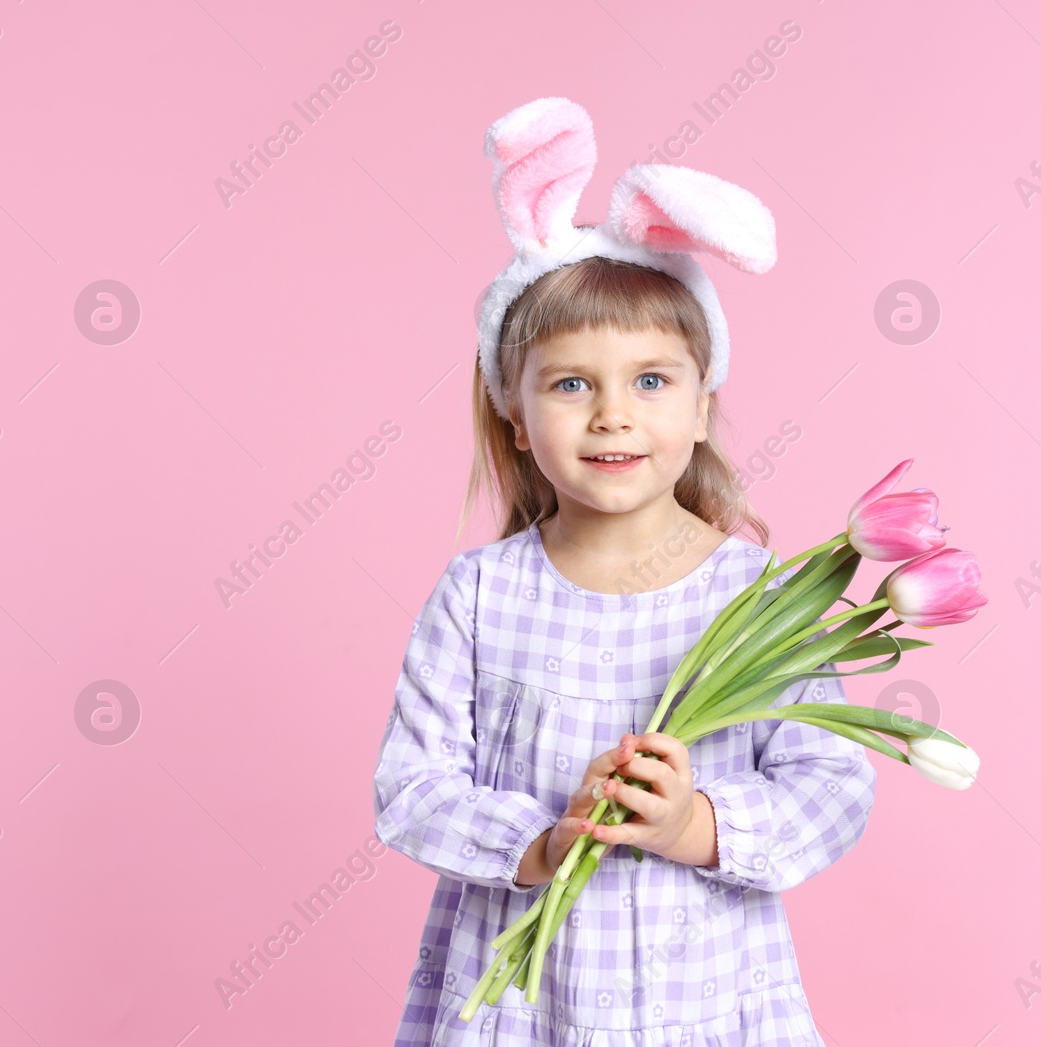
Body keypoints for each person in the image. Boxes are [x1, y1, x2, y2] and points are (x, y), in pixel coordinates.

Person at [371, 98, 877, 1045]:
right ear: (517, 418)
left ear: (700, 407)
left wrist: (696, 825)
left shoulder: (761, 597)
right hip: (517, 1003)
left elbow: (832, 784)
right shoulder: (480, 597)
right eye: (571, 384)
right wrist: (545, 840)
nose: (612, 414)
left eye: (651, 380)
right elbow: (410, 788)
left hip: (706, 997)